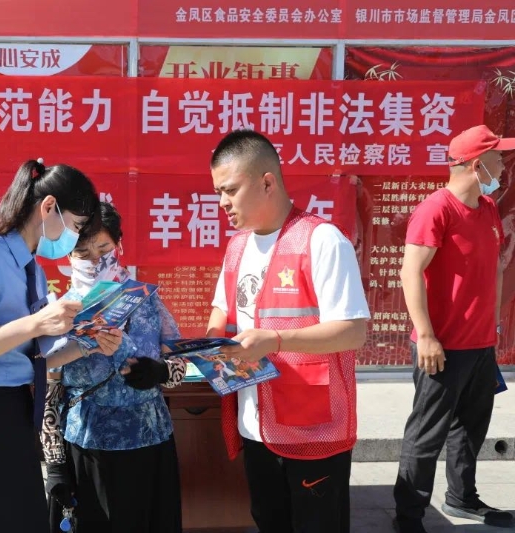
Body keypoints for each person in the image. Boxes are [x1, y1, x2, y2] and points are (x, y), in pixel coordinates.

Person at [0, 160, 123, 533]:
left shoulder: (31, 268)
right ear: (48, 207)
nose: (75, 238)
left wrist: (89, 344)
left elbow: (32, 358)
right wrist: (36, 323)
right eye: (76, 226)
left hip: (15, 412)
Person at [206, 130, 370, 533]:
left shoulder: (322, 240)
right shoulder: (237, 246)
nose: (223, 202)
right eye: (218, 192)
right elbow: (223, 308)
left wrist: (275, 340)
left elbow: (353, 331)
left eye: (230, 190)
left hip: (313, 428)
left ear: (267, 182)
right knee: (269, 521)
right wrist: (211, 339)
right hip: (255, 423)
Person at [394, 125, 515, 532]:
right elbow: (410, 272)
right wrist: (426, 335)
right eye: (497, 158)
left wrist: (492, 325)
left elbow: (493, 269)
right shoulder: (436, 209)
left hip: (480, 344)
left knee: (471, 427)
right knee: (426, 434)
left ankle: (462, 498)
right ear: (477, 165)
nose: (503, 165)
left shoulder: (487, 208)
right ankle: (409, 516)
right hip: (442, 346)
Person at [40, 202, 187, 533]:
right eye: (83, 252)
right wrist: (56, 464)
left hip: (150, 443)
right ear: (68, 256)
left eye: (103, 248)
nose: (95, 261)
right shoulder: (60, 312)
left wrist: (160, 372)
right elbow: (50, 395)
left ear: (119, 245)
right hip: (88, 448)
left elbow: (179, 363)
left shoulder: (148, 301)